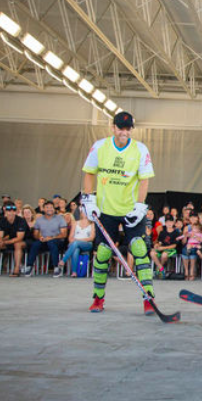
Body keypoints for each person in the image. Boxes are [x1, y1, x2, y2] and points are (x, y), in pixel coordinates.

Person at [81, 111, 156, 314]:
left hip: (130, 209)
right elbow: (89, 173)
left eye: (127, 128)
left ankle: (148, 298)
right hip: (106, 210)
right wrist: (89, 199)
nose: (124, 132)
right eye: (120, 128)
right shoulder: (99, 146)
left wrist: (140, 206)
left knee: (140, 249)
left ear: (131, 129)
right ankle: (98, 298)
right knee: (103, 252)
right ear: (113, 127)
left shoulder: (140, 149)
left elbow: (144, 179)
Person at [22, 201, 67, 276]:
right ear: (43, 209)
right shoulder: (39, 220)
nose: (49, 209)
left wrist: (51, 237)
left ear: (54, 209)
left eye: (51, 207)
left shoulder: (60, 218)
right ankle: (29, 266)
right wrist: (40, 237)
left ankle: (56, 267)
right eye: (47, 207)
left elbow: (64, 234)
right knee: (35, 244)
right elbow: (35, 234)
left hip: (57, 240)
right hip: (44, 240)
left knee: (51, 243)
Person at [0, 203, 27, 277]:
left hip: (25, 241)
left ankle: (16, 270)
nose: (11, 212)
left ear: (16, 212)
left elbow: (20, 238)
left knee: (17, 244)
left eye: (13, 211)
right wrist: (0, 241)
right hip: (9, 240)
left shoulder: (21, 221)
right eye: (9, 211)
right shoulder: (2, 221)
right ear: (5, 212)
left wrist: (5, 242)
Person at [56, 208, 95, 277]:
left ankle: (63, 260)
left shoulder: (92, 224)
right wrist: (75, 241)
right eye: (83, 212)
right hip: (73, 243)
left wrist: (78, 240)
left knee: (76, 243)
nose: (84, 213)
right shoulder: (75, 223)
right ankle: (74, 272)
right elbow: (70, 238)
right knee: (76, 249)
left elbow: (91, 238)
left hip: (87, 244)